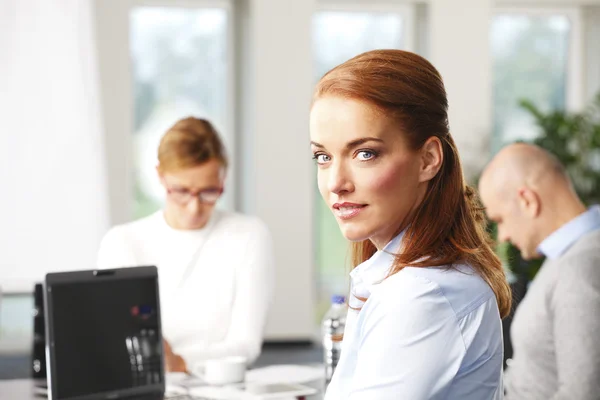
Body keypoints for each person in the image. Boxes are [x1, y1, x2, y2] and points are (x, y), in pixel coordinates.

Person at [309, 49, 511, 399]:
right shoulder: (402, 278)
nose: (335, 182)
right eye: (323, 157)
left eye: (365, 153)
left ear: (428, 159)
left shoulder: (421, 296)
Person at [97, 117, 274, 373]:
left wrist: (180, 363)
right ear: (160, 176)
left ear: (223, 179)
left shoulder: (249, 235)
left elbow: (245, 345)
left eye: (208, 192)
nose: (194, 208)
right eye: (181, 191)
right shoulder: (122, 242)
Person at [479, 143, 600, 400]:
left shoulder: (580, 267)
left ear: (527, 201)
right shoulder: (571, 256)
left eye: (500, 220)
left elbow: (583, 393)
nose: (504, 236)